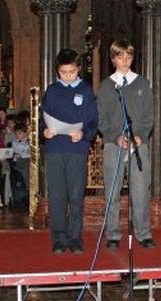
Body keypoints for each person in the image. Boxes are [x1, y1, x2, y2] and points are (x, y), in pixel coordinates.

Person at [97, 39, 155, 250]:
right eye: (120, 56)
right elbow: (101, 119)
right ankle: (113, 233)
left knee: (140, 192)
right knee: (112, 192)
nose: (125, 61)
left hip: (139, 146)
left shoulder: (142, 83)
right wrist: (115, 137)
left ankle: (143, 233)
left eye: (128, 56)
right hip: (115, 145)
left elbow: (149, 115)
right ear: (113, 59)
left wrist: (141, 134)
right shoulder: (106, 86)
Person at [40, 48, 99, 255]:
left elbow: (93, 121)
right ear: (58, 71)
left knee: (75, 196)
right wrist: (44, 132)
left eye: (71, 72)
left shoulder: (85, 90)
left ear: (78, 70)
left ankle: (75, 238)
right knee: (57, 196)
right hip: (55, 149)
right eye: (63, 72)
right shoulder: (52, 90)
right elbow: (42, 118)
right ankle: (58, 238)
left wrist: (84, 134)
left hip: (76, 150)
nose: (67, 76)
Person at [10, 123, 31, 192]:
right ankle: (28, 189)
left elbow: (31, 153)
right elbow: (16, 153)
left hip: (28, 160)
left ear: (25, 133)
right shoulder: (14, 142)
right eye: (16, 133)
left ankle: (29, 189)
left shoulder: (29, 141)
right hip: (19, 162)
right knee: (26, 167)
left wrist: (23, 154)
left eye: (19, 133)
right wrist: (24, 153)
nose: (17, 135)